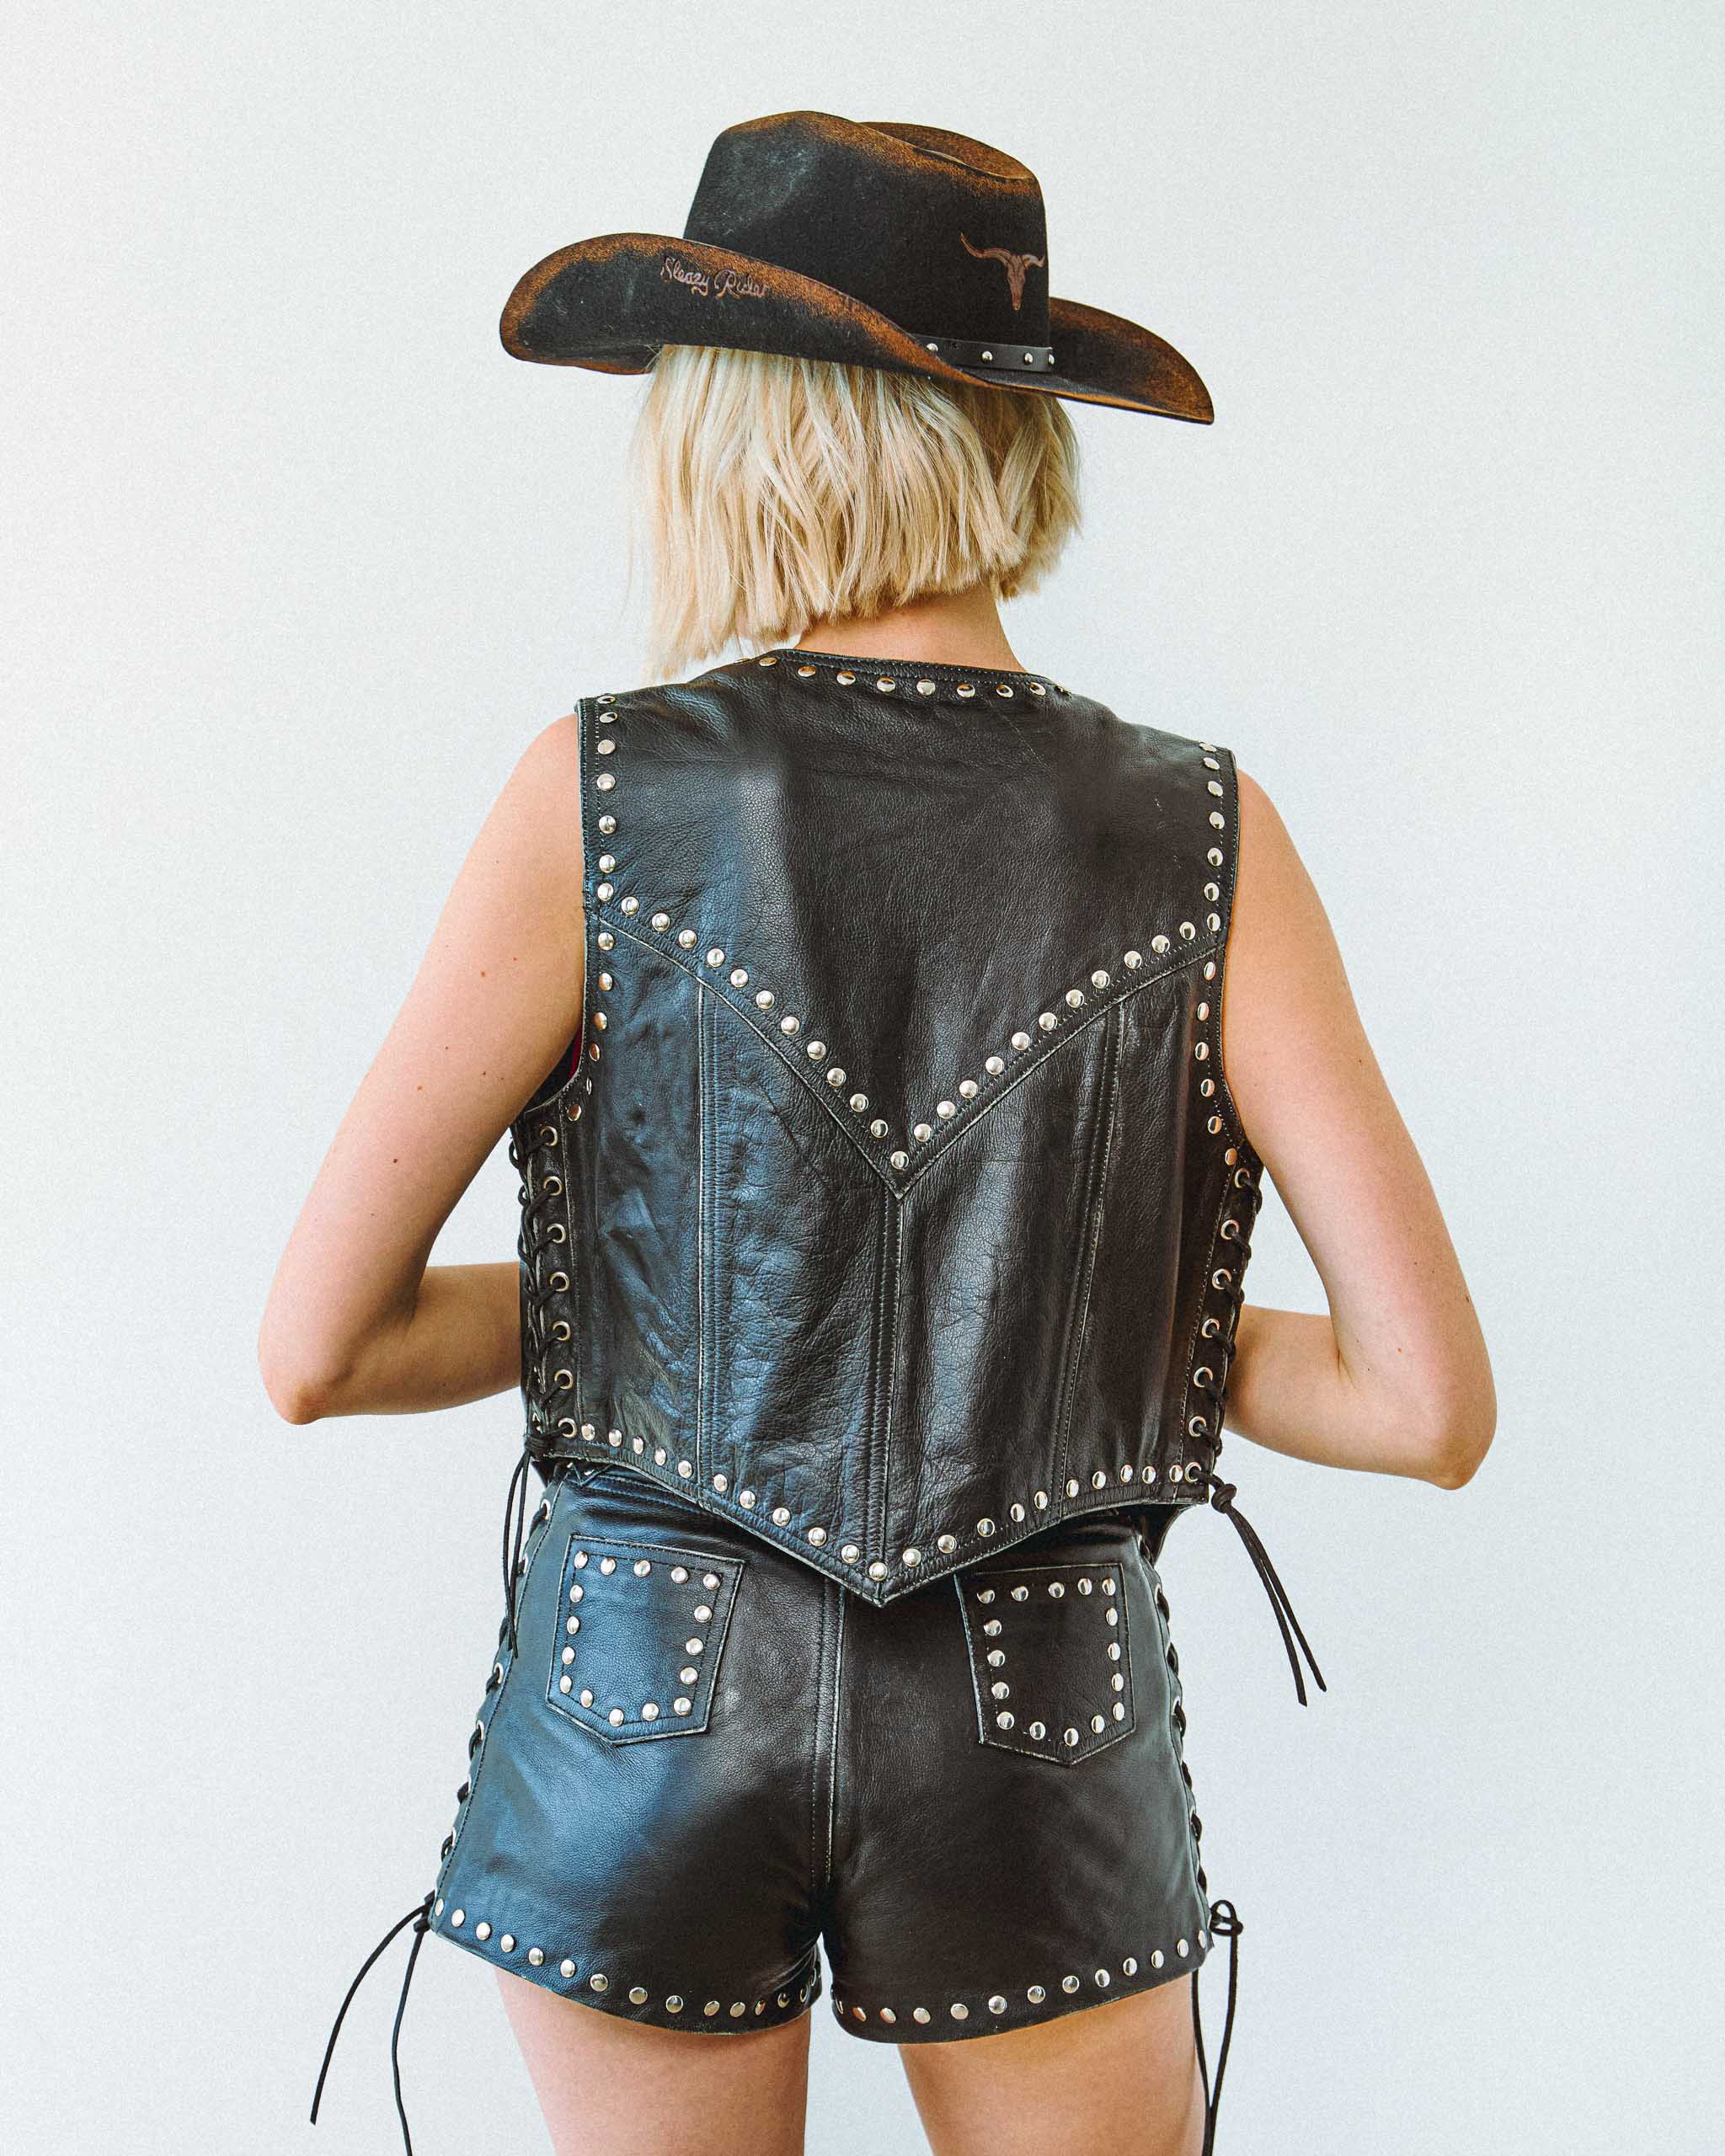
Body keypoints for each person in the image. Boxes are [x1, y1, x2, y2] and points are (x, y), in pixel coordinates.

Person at [261, 112, 1496, 2156]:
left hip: (642, 1687)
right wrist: (1078, 1339)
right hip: (1034, 1698)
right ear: (1013, 438)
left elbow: (321, 1346)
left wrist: (694, 1312)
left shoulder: (595, 794)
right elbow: (1420, 1400)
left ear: (732, 439)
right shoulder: (1201, 832)